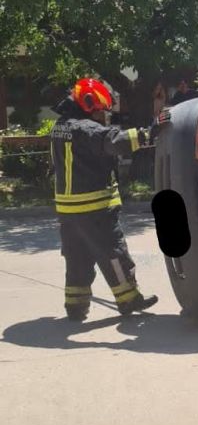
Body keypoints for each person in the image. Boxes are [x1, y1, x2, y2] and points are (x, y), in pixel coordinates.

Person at [50, 78, 159, 321]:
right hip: (94, 207)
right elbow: (114, 141)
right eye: (101, 110)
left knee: (77, 258)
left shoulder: (60, 126)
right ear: (88, 105)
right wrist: (149, 133)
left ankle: (75, 307)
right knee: (114, 254)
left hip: (67, 211)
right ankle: (129, 299)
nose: (104, 116)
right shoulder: (85, 129)